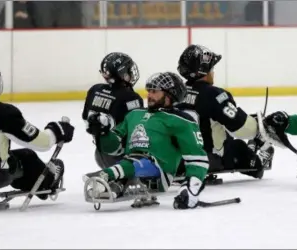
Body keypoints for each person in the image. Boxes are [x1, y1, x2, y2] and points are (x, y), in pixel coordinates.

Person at [83, 72, 209, 209]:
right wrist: (103, 131)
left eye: (154, 92)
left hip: (159, 169)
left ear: (169, 95)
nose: (149, 95)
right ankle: (117, 184)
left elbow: (197, 158)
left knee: (134, 163)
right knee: (130, 163)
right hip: (131, 161)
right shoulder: (134, 114)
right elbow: (114, 148)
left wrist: (191, 188)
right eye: (149, 91)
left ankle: (106, 175)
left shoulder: (181, 120)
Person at [175, 44, 274, 182]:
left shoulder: (177, 92)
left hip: (180, 158)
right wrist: (260, 127)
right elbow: (241, 127)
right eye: (211, 68)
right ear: (203, 71)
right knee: (238, 147)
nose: (213, 72)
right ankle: (258, 161)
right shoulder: (213, 94)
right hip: (209, 158)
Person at [0, 67, 75, 202]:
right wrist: (57, 130)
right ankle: (48, 180)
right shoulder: (4, 113)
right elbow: (42, 143)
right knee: (27, 157)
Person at [82, 52, 144, 170]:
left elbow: (86, 117)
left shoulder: (94, 90)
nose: (131, 73)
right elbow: (137, 131)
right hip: (123, 157)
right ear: (122, 74)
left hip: (100, 154)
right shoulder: (131, 97)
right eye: (129, 71)